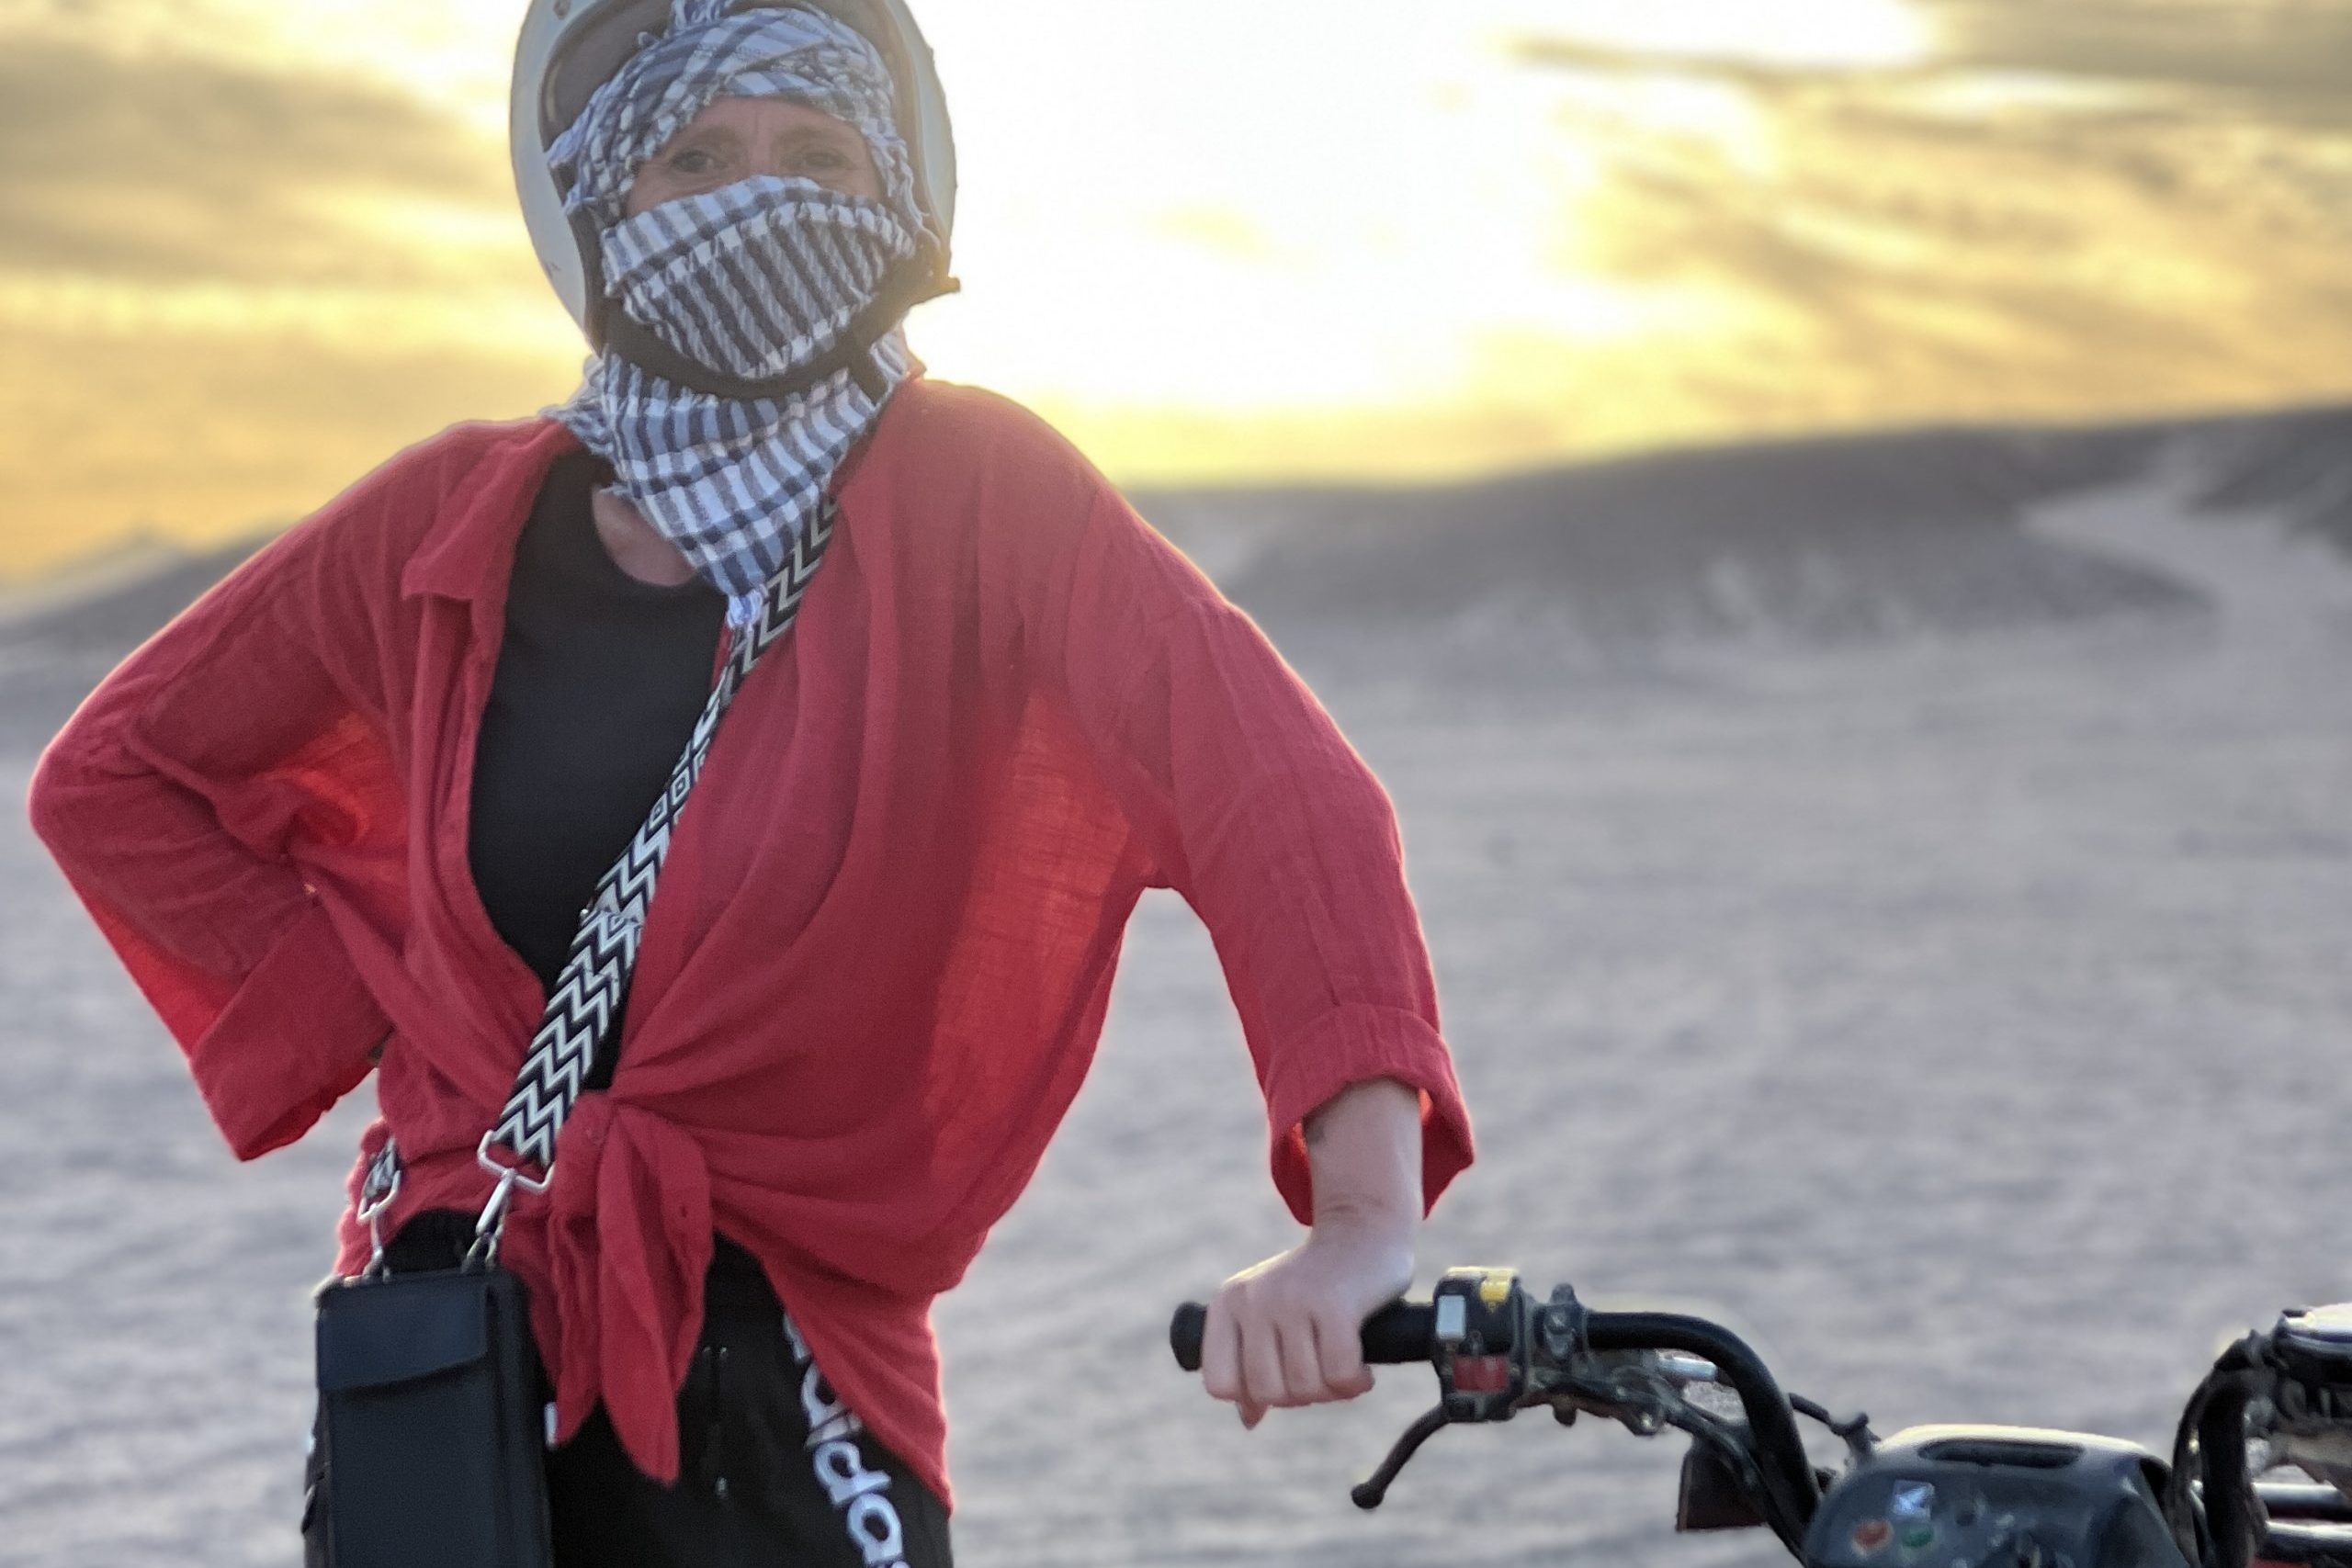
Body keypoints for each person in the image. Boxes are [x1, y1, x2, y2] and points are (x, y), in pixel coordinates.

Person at [26, 1, 1476, 1562]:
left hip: (784, 1387)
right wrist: (397, 1024)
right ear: (600, 201)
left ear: (894, 203)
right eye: (697, 153)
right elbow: (119, 776)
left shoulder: (981, 497)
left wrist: (1357, 1230)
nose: (755, 192)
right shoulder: (454, 516)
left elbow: (1284, 801)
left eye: (817, 154)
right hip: (453, 1358)